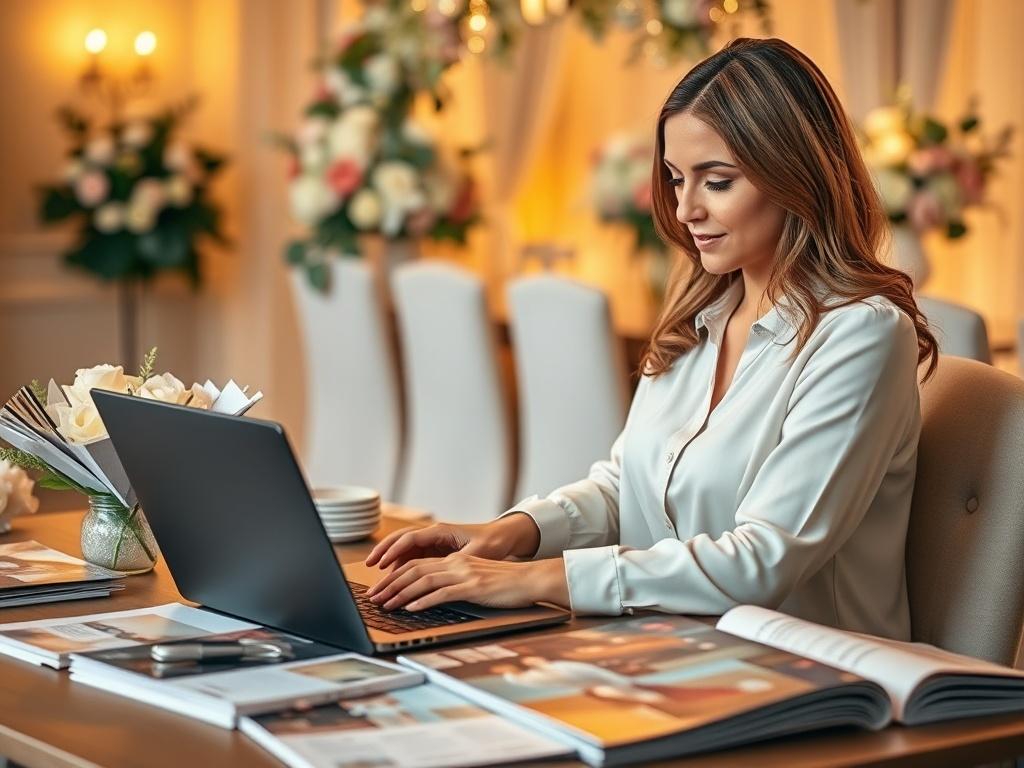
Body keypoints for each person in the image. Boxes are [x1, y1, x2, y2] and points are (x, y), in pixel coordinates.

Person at [365, 37, 938, 641]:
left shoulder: (860, 333)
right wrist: (508, 534)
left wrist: (536, 580)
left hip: (813, 675)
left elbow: (764, 560)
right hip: (673, 648)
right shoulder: (699, 313)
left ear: (795, 176)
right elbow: (626, 487)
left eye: (716, 182)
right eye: (674, 178)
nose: (685, 208)